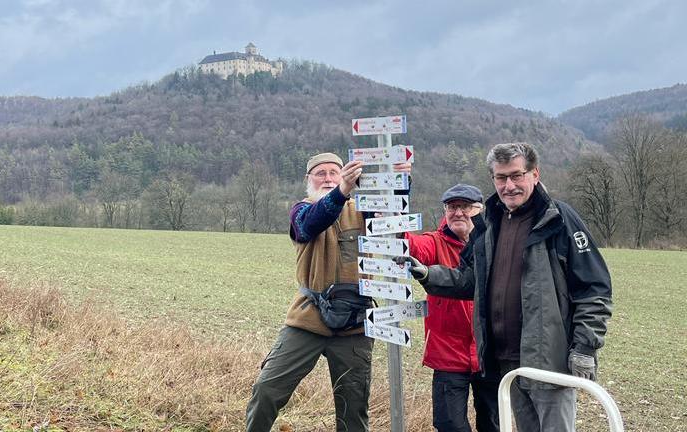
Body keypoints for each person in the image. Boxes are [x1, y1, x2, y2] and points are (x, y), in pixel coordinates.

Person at [400, 142, 613, 432]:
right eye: (501, 178)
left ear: (534, 174)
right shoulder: (490, 223)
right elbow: (469, 279)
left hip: (549, 361)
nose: (509, 185)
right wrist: (428, 274)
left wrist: (585, 347)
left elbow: (594, 288)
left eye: (516, 175)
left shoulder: (559, 219)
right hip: (505, 361)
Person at [246, 152, 411, 432]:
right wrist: (342, 190)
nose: (327, 178)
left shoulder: (363, 210)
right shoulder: (301, 210)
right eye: (320, 173)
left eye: (334, 172)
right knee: (267, 389)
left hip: (355, 324)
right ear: (308, 180)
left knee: (353, 408)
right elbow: (311, 223)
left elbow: (393, 218)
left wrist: (401, 179)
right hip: (308, 318)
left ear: (345, 173)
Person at [405, 184, 499, 432]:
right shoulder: (434, 242)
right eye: (452, 207)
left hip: (489, 353)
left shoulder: (496, 243)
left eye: (465, 206)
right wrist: (388, 210)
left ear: (479, 210)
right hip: (447, 355)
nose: (458, 212)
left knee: (494, 424)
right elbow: (408, 244)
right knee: (451, 425)